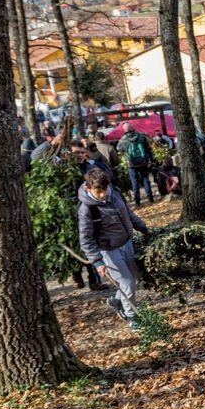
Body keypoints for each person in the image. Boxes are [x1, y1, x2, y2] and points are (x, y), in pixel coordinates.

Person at [77, 168, 149, 330]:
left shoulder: (115, 193)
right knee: (126, 282)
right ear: (89, 189)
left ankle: (117, 300)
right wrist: (97, 262)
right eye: (99, 191)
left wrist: (144, 229)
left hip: (126, 242)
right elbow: (86, 239)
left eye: (105, 189)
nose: (103, 194)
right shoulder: (86, 209)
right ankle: (132, 317)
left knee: (135, 278)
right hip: (107, 249)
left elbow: (128, 214)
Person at [117, 122, 155, 207]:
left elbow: (118, 148)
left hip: (131, 164)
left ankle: (137, 202)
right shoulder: (141, 135)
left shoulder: (123, 139)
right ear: (132, 127)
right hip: (143, 162)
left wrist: (125, 150)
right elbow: (148, 148)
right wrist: (151, 160)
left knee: (134, 182)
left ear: (124, 130)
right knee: (146, 179)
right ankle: (151, 199)